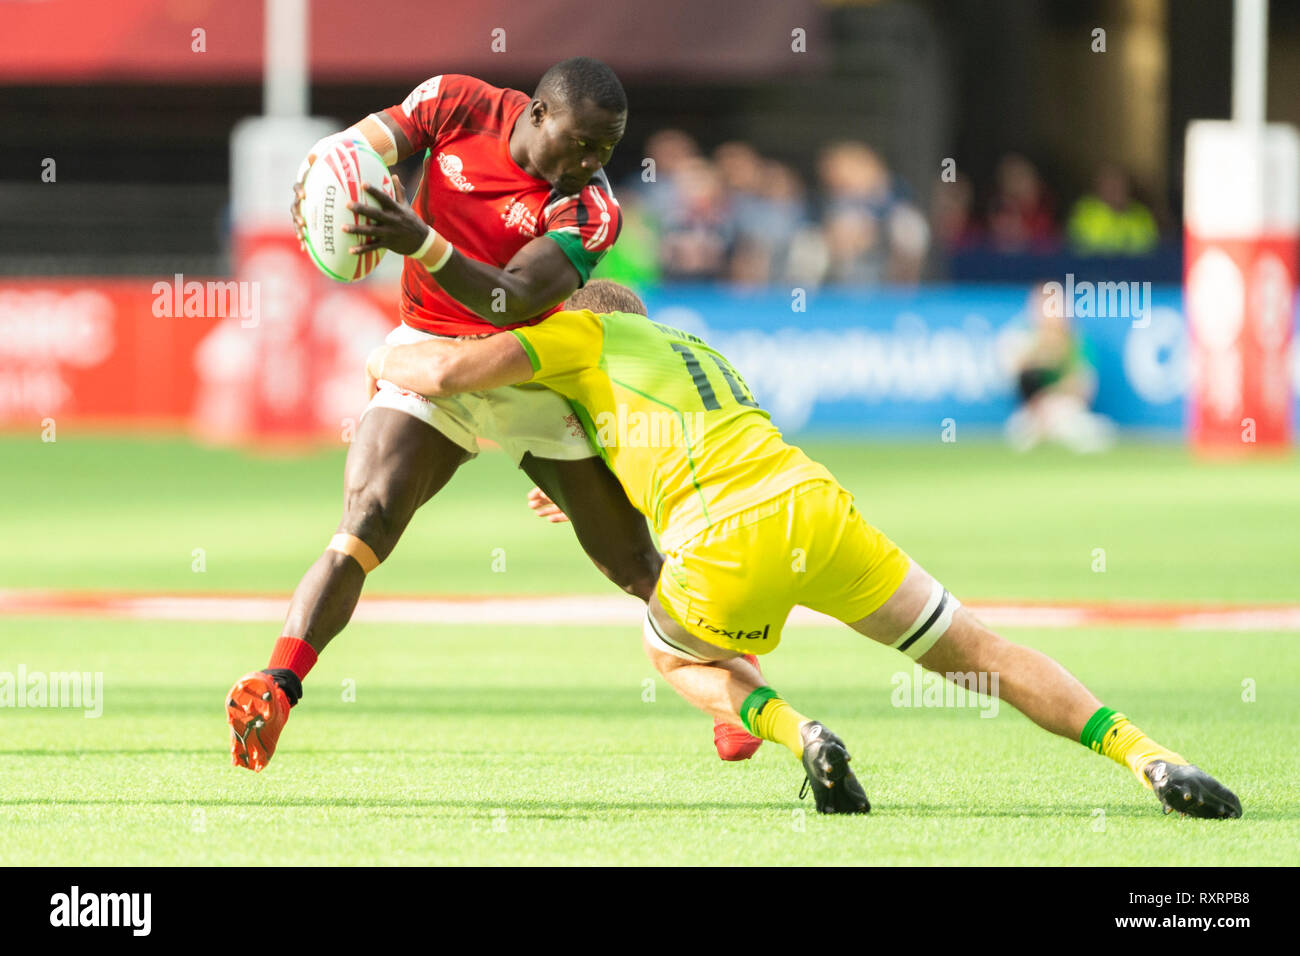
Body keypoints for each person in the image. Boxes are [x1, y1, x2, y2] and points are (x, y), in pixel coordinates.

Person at [351, 279, 1242, 818]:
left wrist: (389, 352)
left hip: (724, 536)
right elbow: (668, 432)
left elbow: (441, 375)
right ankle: (1146, 754)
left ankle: (797, 729)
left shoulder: (580, 334)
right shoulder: (692, 345)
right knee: (983, 654)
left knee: (667, 649)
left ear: (585, 317)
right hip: (818, 506)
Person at [227, 58, 715, 770]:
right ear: (537, 115)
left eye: (605, 151)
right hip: (429, 353)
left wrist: (416, 241)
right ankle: (276, 684)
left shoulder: (590, 208)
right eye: (579, 144)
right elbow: (364, 145)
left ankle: (741, 699)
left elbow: (512, 300)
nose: (588, 163)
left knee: (637, 565)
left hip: (524, 366)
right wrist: (339, 180)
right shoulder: (457, 103)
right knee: (365, 521)